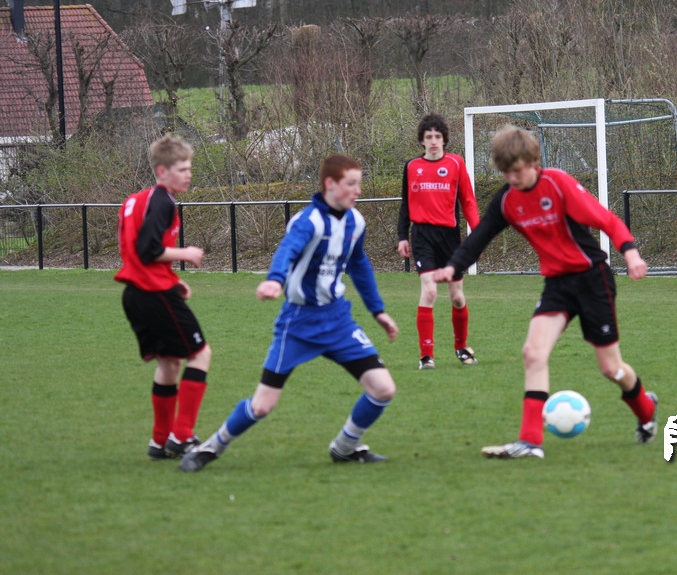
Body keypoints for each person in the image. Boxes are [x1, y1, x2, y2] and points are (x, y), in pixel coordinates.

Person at [432, 125, 658, 459]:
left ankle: (646, 409)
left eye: (517, 170)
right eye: (506, 172)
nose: (512, 178)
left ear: (533, 162)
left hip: (592, 280)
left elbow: (606, 220)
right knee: (533, 353)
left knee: (611, 369)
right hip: (557, 285)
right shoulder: (507, 200)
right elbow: (479, 237)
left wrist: (631, 252)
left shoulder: (557, 183)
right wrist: (453, 267)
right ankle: (530, 442)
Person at [180, 155, 400, 472]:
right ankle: (210, 448)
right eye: (351, 184)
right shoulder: (307, 221)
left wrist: (378, 310)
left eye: (359, 183)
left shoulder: (356, 222)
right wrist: (275, 279)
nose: (358, 190)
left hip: (338, 321)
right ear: (330, 184)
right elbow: (288, 249)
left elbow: (359, 264)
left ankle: (344, 448)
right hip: (299, 323)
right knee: (262, 405)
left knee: (383, 389)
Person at [115, 133, 213, 460]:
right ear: (162, 171)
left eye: (189, 168)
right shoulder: (163, 201)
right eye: (182, 169)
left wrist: (172, 279)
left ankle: (159, 441)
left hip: (136, 293)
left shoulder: (136, 200)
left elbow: (135, 253)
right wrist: (185, 253)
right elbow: (148, 249)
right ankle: (182, 436)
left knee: (169, 363)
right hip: (152, 293)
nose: (189, 175)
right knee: (200, 354)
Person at [397, 113, 481, 370]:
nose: (433, 141)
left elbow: (468, 201)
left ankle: (461, 347)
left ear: (444, 139)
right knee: (430, 291)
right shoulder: (412, 167)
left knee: (457, 297)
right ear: (422, 141)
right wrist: (402, 236)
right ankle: (426, 356)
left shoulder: (456, 163)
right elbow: (405, 204)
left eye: (437, 136)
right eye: (428, 137)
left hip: (450, 237)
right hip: (422, 236)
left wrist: (478, 235)